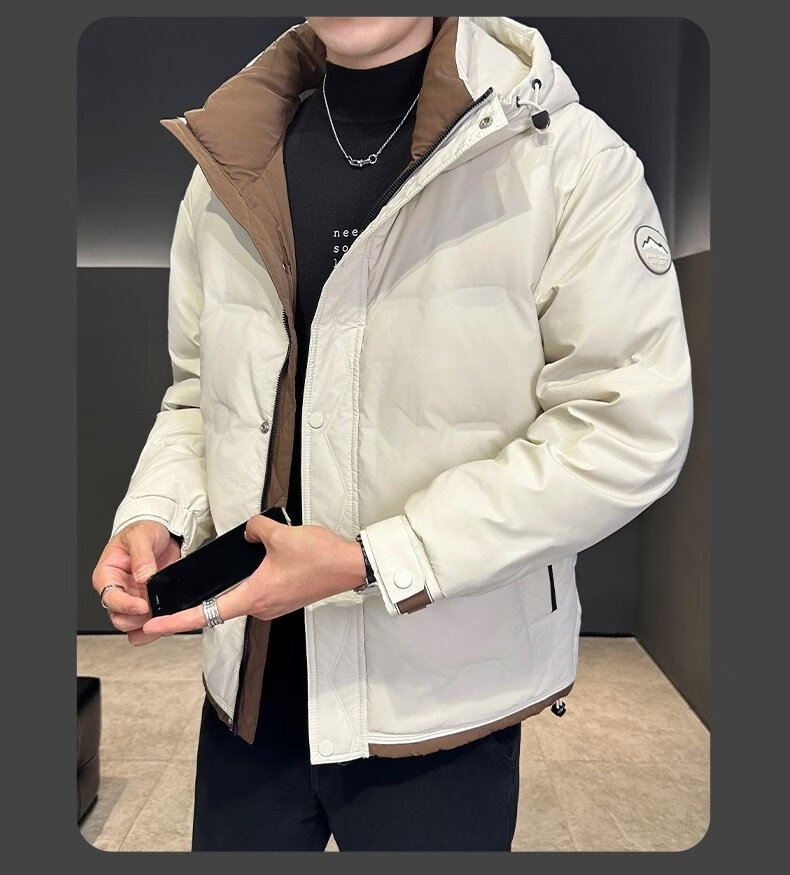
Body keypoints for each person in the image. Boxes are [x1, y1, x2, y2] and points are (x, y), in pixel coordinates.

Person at [91, 16, 693, 851]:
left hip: (444, 701)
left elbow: (626, 425)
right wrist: (155, 512)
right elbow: (199, 396)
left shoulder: (565, 157)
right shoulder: (230, 163)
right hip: (250, 688)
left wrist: (375, 558)